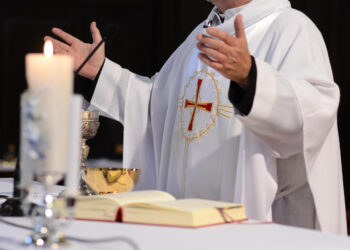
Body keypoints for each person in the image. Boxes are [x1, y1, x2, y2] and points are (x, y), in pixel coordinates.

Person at [45, 0, 346, 234]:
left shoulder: (290, 28)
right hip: (186, 225)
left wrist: (250, 78)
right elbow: (156, 106)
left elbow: (313, 113)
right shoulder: (201, 35)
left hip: (254, 222)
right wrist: (99, 72)